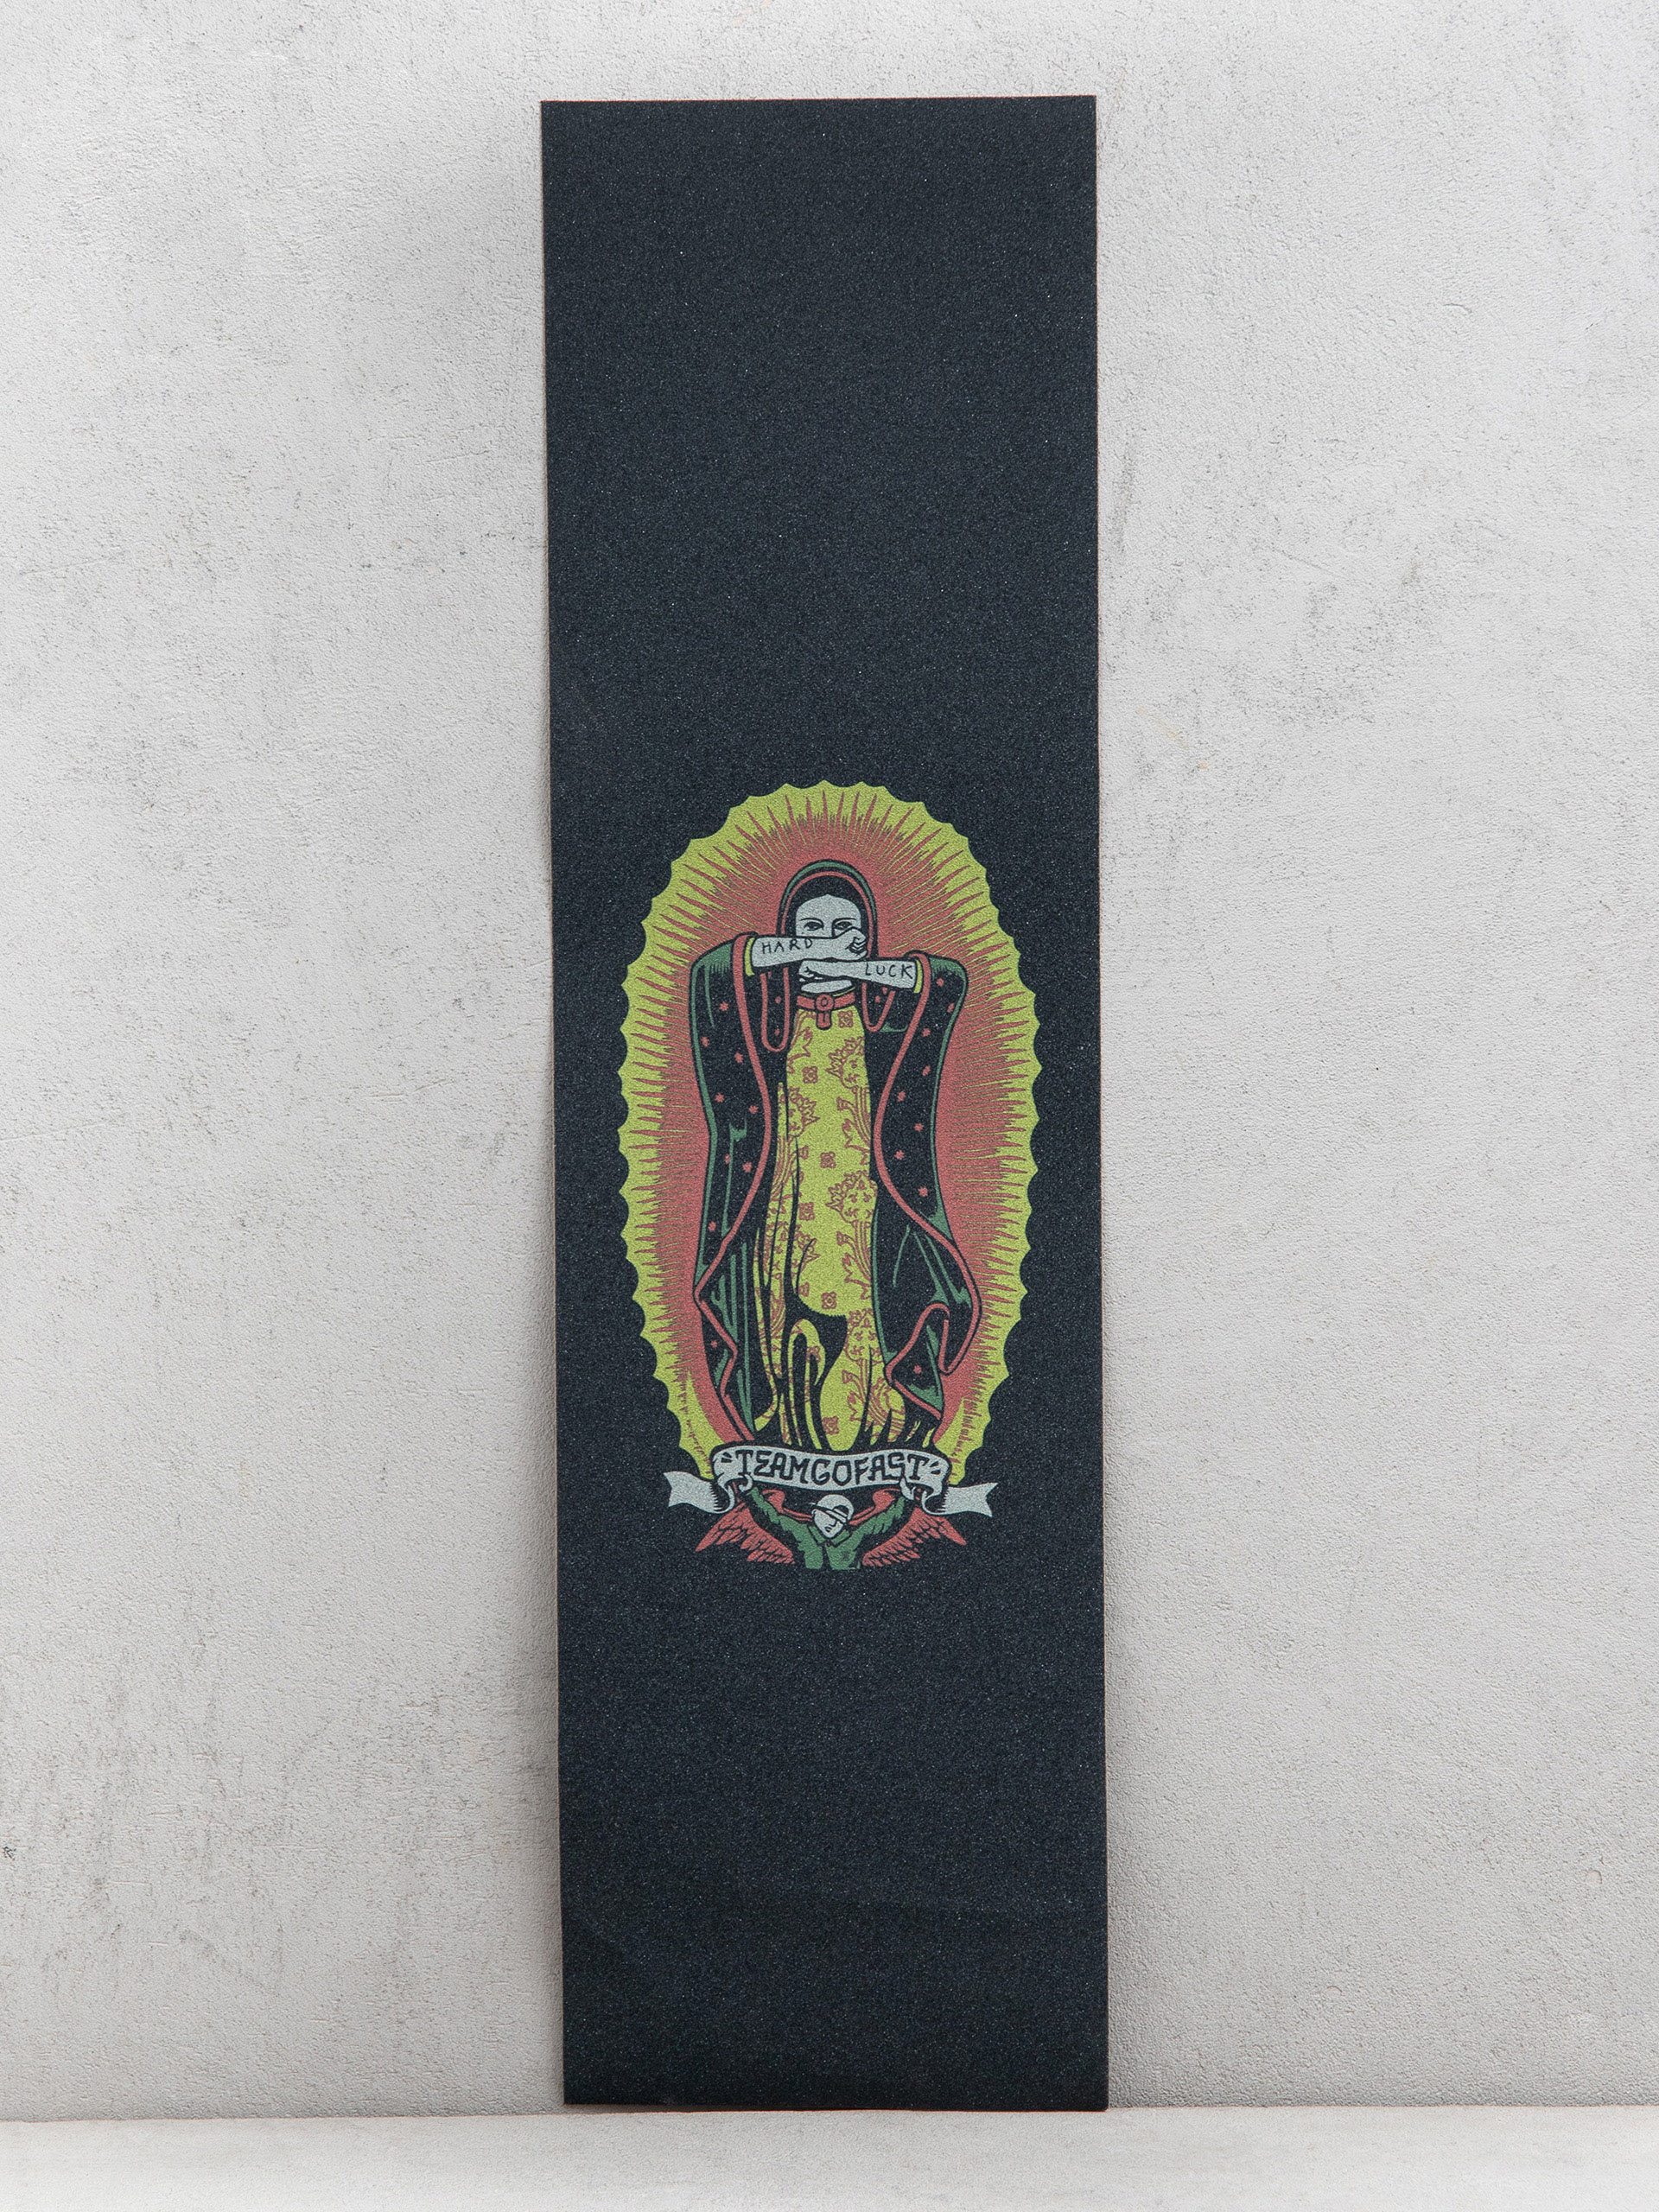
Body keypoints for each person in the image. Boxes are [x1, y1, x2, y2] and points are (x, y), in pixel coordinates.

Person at [689, 861, 980, 1474]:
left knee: (857, 1316)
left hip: (865, 1207)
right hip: (786, 1199)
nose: (825, 940)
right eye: (810, 928)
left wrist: (853, 967)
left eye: (844, 928)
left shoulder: (885, 1014)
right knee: (788, 1316)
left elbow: (947, 978)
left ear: (867, 935)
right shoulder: (767, 1016)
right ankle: (790, 1444)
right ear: (787, 934)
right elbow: (712, 972)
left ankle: (871, 1443)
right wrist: (804, 954)